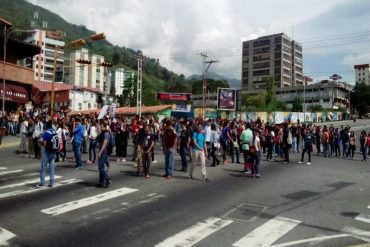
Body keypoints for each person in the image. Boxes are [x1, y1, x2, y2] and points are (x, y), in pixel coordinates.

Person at [37, 120, 57, 188]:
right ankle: (51, 182)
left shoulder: (47, 133)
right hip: (53, 151)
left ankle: (42, 183)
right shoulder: (54, 131)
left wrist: (40, 142)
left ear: (46, 126)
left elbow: (45, 144)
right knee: (51, 167)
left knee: (43, 167)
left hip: (48, 152)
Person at [97, 122, 112, 188]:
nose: (101, 128)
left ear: (105, 127)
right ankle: (101, 182)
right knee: (101, 167)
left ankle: (107, 179)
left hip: (104, 151)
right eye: (101, 127)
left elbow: (105, 143)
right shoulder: (102, 133)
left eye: (102, 127)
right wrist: (98, 131)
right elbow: (99, 140)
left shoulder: (106, 133)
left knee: (100, 167)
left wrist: (100, 152)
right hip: (101, 150)